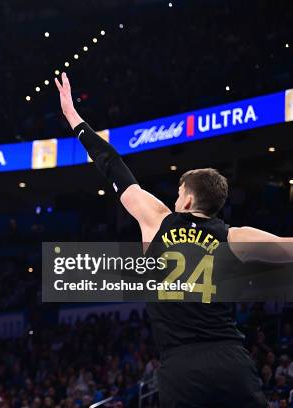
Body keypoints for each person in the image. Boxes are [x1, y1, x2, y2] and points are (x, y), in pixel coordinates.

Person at [55, 72, 293, 408]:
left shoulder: (156, 219)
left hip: (181, 368)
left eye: (179, 192)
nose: (176, 197)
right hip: (230, 360)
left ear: (188, 201)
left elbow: (112, 165)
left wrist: (75, 119)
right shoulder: (235, 237)